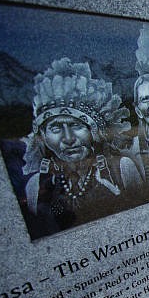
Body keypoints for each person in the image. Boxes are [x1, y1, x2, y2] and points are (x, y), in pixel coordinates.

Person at [20, 58, 142, 238]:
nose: (68, 139)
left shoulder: (121, 169)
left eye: (76, 126)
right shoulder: (36, 185)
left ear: (94, 131)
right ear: (43, 136)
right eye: (56, 128)